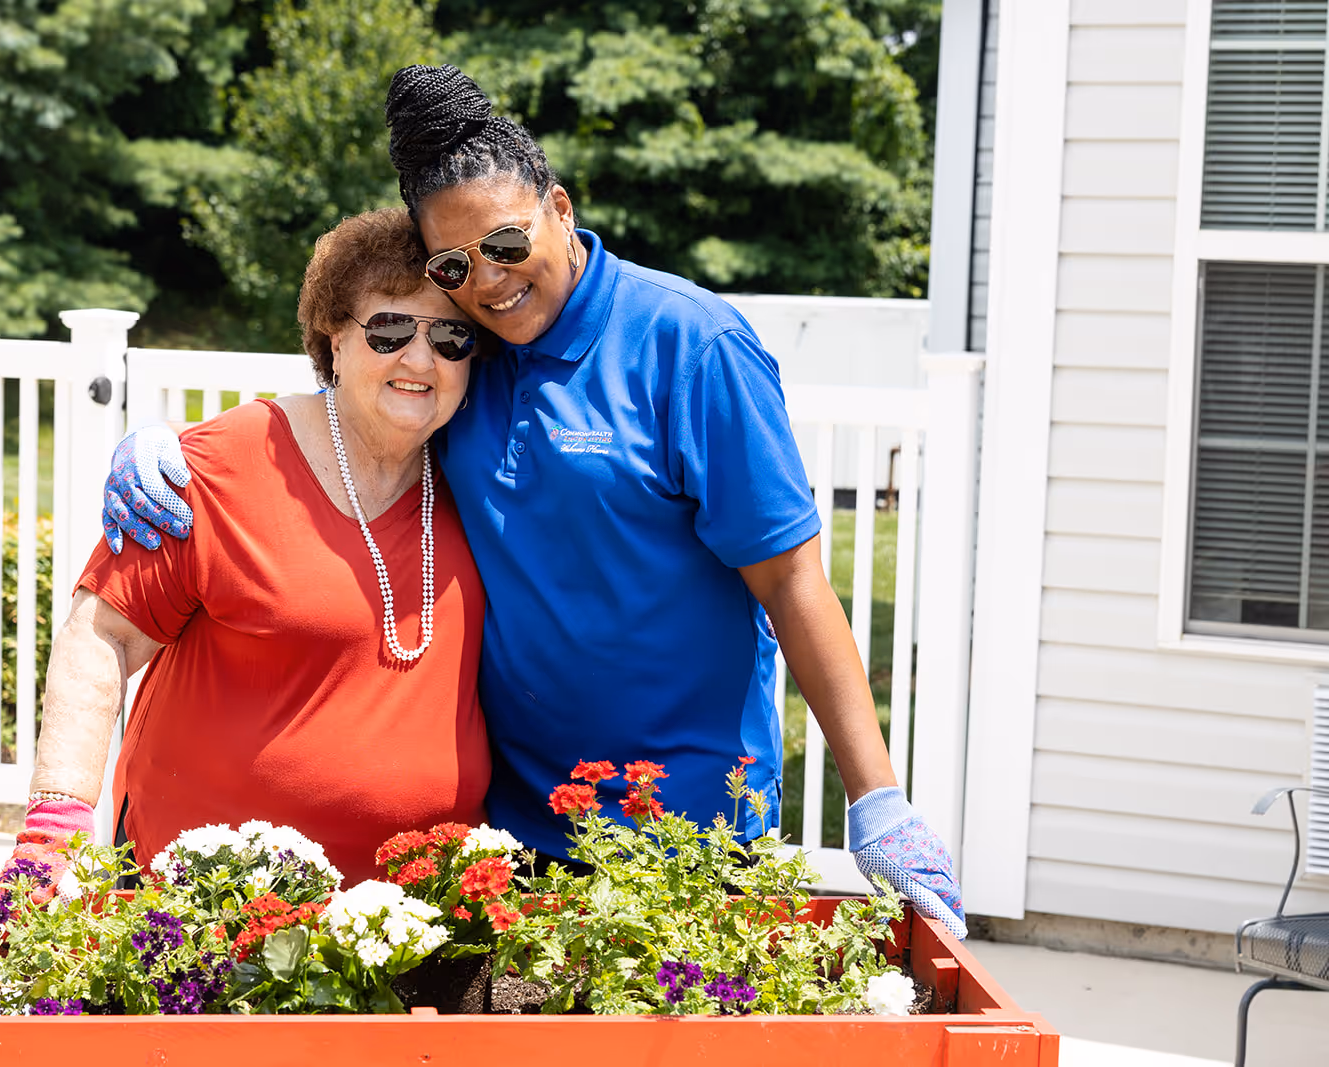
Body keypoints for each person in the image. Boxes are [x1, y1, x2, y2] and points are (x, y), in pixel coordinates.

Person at [103, 65, 967, 938]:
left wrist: (877, 796)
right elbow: (357, 387)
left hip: (685, 829)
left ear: (559, 207)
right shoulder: (467, 355)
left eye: (508, 244)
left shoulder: (689, 346)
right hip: (513, 830)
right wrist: (176, 442)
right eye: (456, 264)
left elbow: (793, 583)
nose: (489, 281)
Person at [5, 208, 492, 889]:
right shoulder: (221, 465)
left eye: (450, 336)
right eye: (388, 330)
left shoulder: (485, 478)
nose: (420, 358)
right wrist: (52, 829)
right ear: (336, 340)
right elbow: (103, 633)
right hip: (199, 916)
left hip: (414, 922)